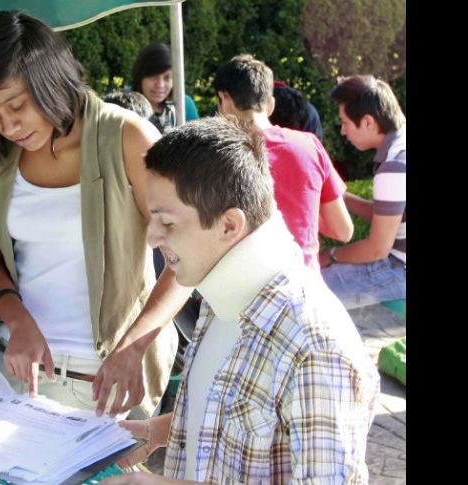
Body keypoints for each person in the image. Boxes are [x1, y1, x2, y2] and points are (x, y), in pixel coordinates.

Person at [102, 116, 379, 485]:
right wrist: (158, 430)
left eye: (167, 223)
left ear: (229, 225)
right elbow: (237, 414)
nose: (151, 237)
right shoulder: (222, 291)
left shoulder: (315, 346)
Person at [0, 11, 191, 418]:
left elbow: (188, 260)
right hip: (9, 362)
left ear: (49, 79)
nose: (8, 126)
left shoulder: (128, 137)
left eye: (16, 106)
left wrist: (133, 347)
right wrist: (18, 319)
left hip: (101, 381)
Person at [213, 54, 354, 271]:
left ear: (225, 99)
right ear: (269, 105)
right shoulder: (310, 145)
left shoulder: (219, 157)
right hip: (305, 283)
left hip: (248, 283)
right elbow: (343, 230)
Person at [319, 75, 406, 309]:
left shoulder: (395, 165)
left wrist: (329, 254)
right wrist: (341, 196)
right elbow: (390, 217)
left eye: (345, 122)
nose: (343, 131)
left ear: (368, 121)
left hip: (400, 269)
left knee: (312, 289)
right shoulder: (401, 146)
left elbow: (377, 249)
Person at [131, 42, 200, 134]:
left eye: (167, 78)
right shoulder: (125, 103)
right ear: (140, 76)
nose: (160, 84)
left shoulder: (184, 105)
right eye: (153, 76)